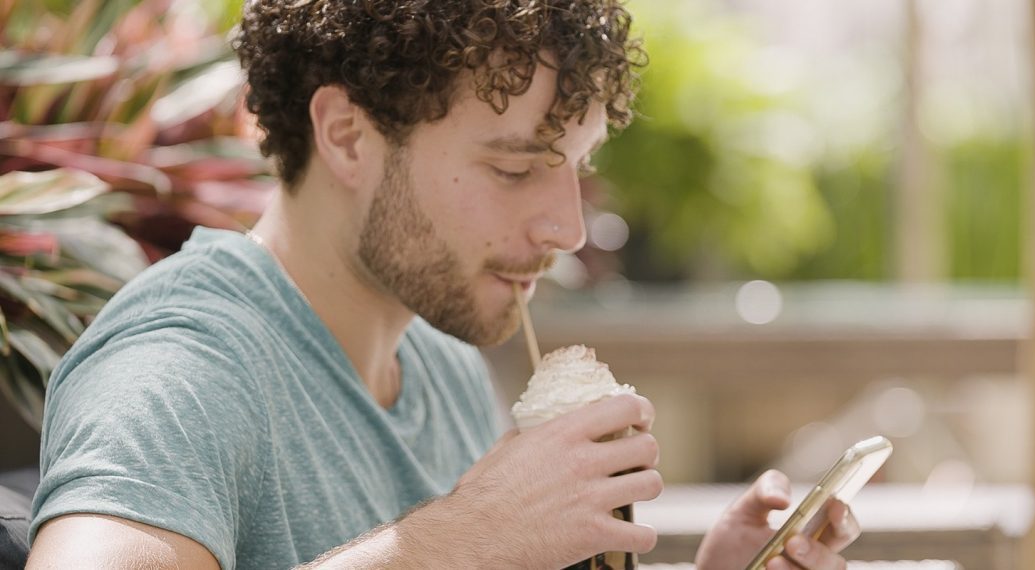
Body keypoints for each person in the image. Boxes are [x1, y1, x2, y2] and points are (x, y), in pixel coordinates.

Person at [25, 1, 861, 568]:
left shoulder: (446, 364)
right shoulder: (181, 369)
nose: (567, 229)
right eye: (516, 167)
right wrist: (463, 537)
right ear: (348, 136)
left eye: (576, 168)